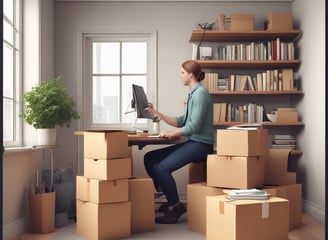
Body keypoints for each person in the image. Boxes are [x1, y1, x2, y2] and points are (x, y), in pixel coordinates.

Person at [144, 60, 214, 224]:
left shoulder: (201, 94)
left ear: (191, 74)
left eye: (182, 73)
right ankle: (170, 199)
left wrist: (171, 134)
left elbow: (194, 126)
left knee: (162, 168)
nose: (180, 76)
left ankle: (175, 207)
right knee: (150, 158)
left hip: (201, 145)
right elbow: (183, 120)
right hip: (193, 142)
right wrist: (157, 113)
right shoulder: (193, 93)